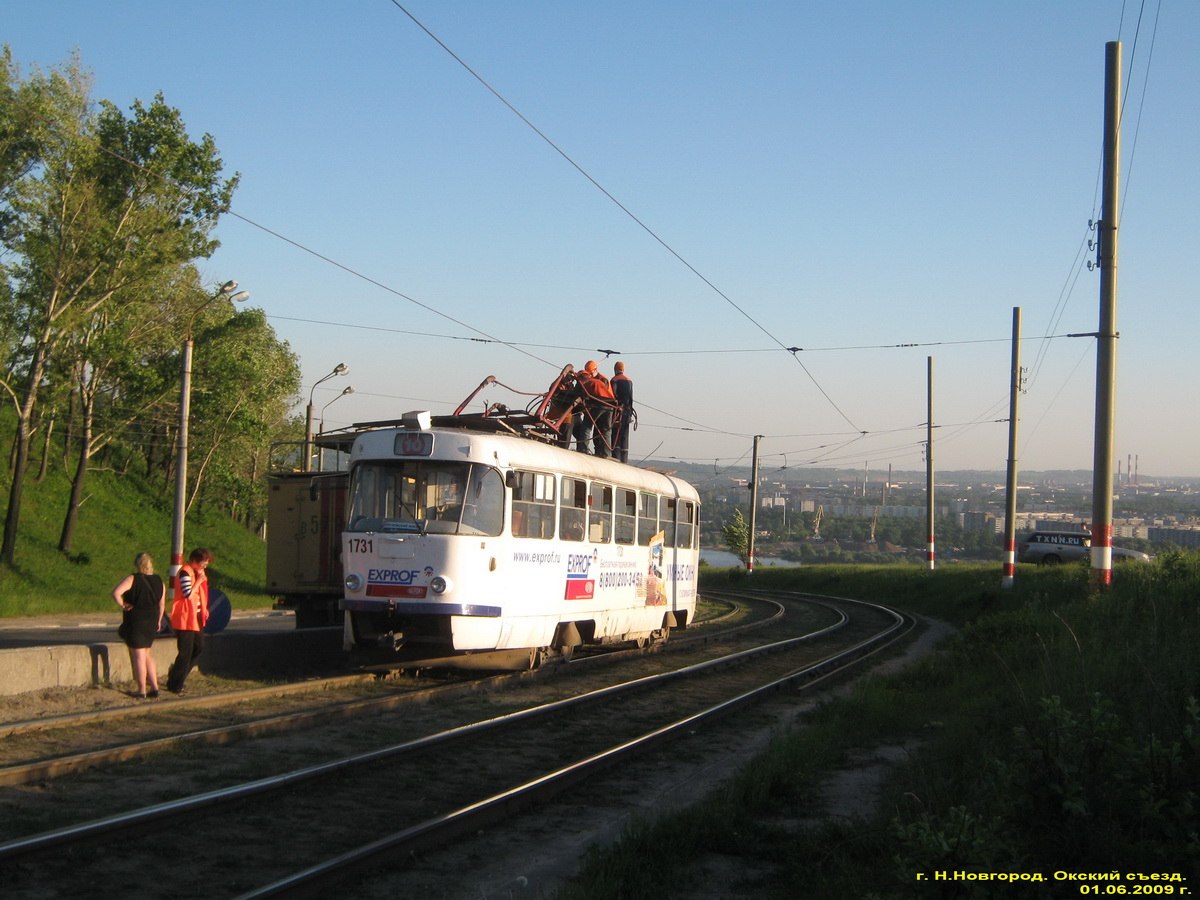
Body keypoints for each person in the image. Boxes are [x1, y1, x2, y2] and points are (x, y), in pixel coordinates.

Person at [112, 552, 165, 699]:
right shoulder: (159, 581)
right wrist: (159, 621)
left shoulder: (133, 579)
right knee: (148, 654)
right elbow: (161, 604)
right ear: (151, 564)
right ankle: (154, 687)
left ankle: (141, 689)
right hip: (152, 620)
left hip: (137, 620)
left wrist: (123, 604)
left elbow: (116, 593)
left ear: (137, 564)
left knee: (138, 656)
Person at [167, 547, 212, 694]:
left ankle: (177, 675)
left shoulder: (196, 572)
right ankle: (175, 684)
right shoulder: (186, 572)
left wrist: (204, 608)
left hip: (195, 618)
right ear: (194, 561)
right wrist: (198, 581)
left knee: (199, 647)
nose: (204, 566)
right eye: (203, 563)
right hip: (185, 618)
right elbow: (187, 593)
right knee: (185, 652)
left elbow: (201, 594)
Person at [572, 360, 617, 457]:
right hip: (610, 405)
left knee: (586, 427)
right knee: (606, 430)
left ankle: (582, 451)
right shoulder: (595, 380)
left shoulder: (595, 380)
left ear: (595, 370)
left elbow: (583, 395)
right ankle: (606, 454)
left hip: (600, 404)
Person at [610, 361, 634, 463]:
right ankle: (624, 460)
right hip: (627, 411)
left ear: (615, 369)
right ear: (623, 370)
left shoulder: (614, 380)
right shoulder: (629, 380)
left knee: (616, 434)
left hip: (617, 411)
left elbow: (613, 396)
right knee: (625, 435)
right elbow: (631, 397)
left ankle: (616, 457)